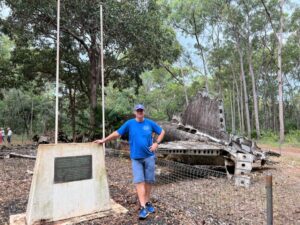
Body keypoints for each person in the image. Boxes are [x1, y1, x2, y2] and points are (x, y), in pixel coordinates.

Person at [94, 104, 165, 219]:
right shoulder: (130, 123)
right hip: (136, 158)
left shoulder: (150, 123)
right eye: (138, 110)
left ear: (144, 112)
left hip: (149, 157)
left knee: (149, 181)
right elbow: (117, 133)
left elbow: (162, 132)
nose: (140, 112)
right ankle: (143, 208)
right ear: (135, 112)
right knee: (139, 181)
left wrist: (156, 143)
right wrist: (104, 140)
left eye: (141, 110)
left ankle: (147, 202)